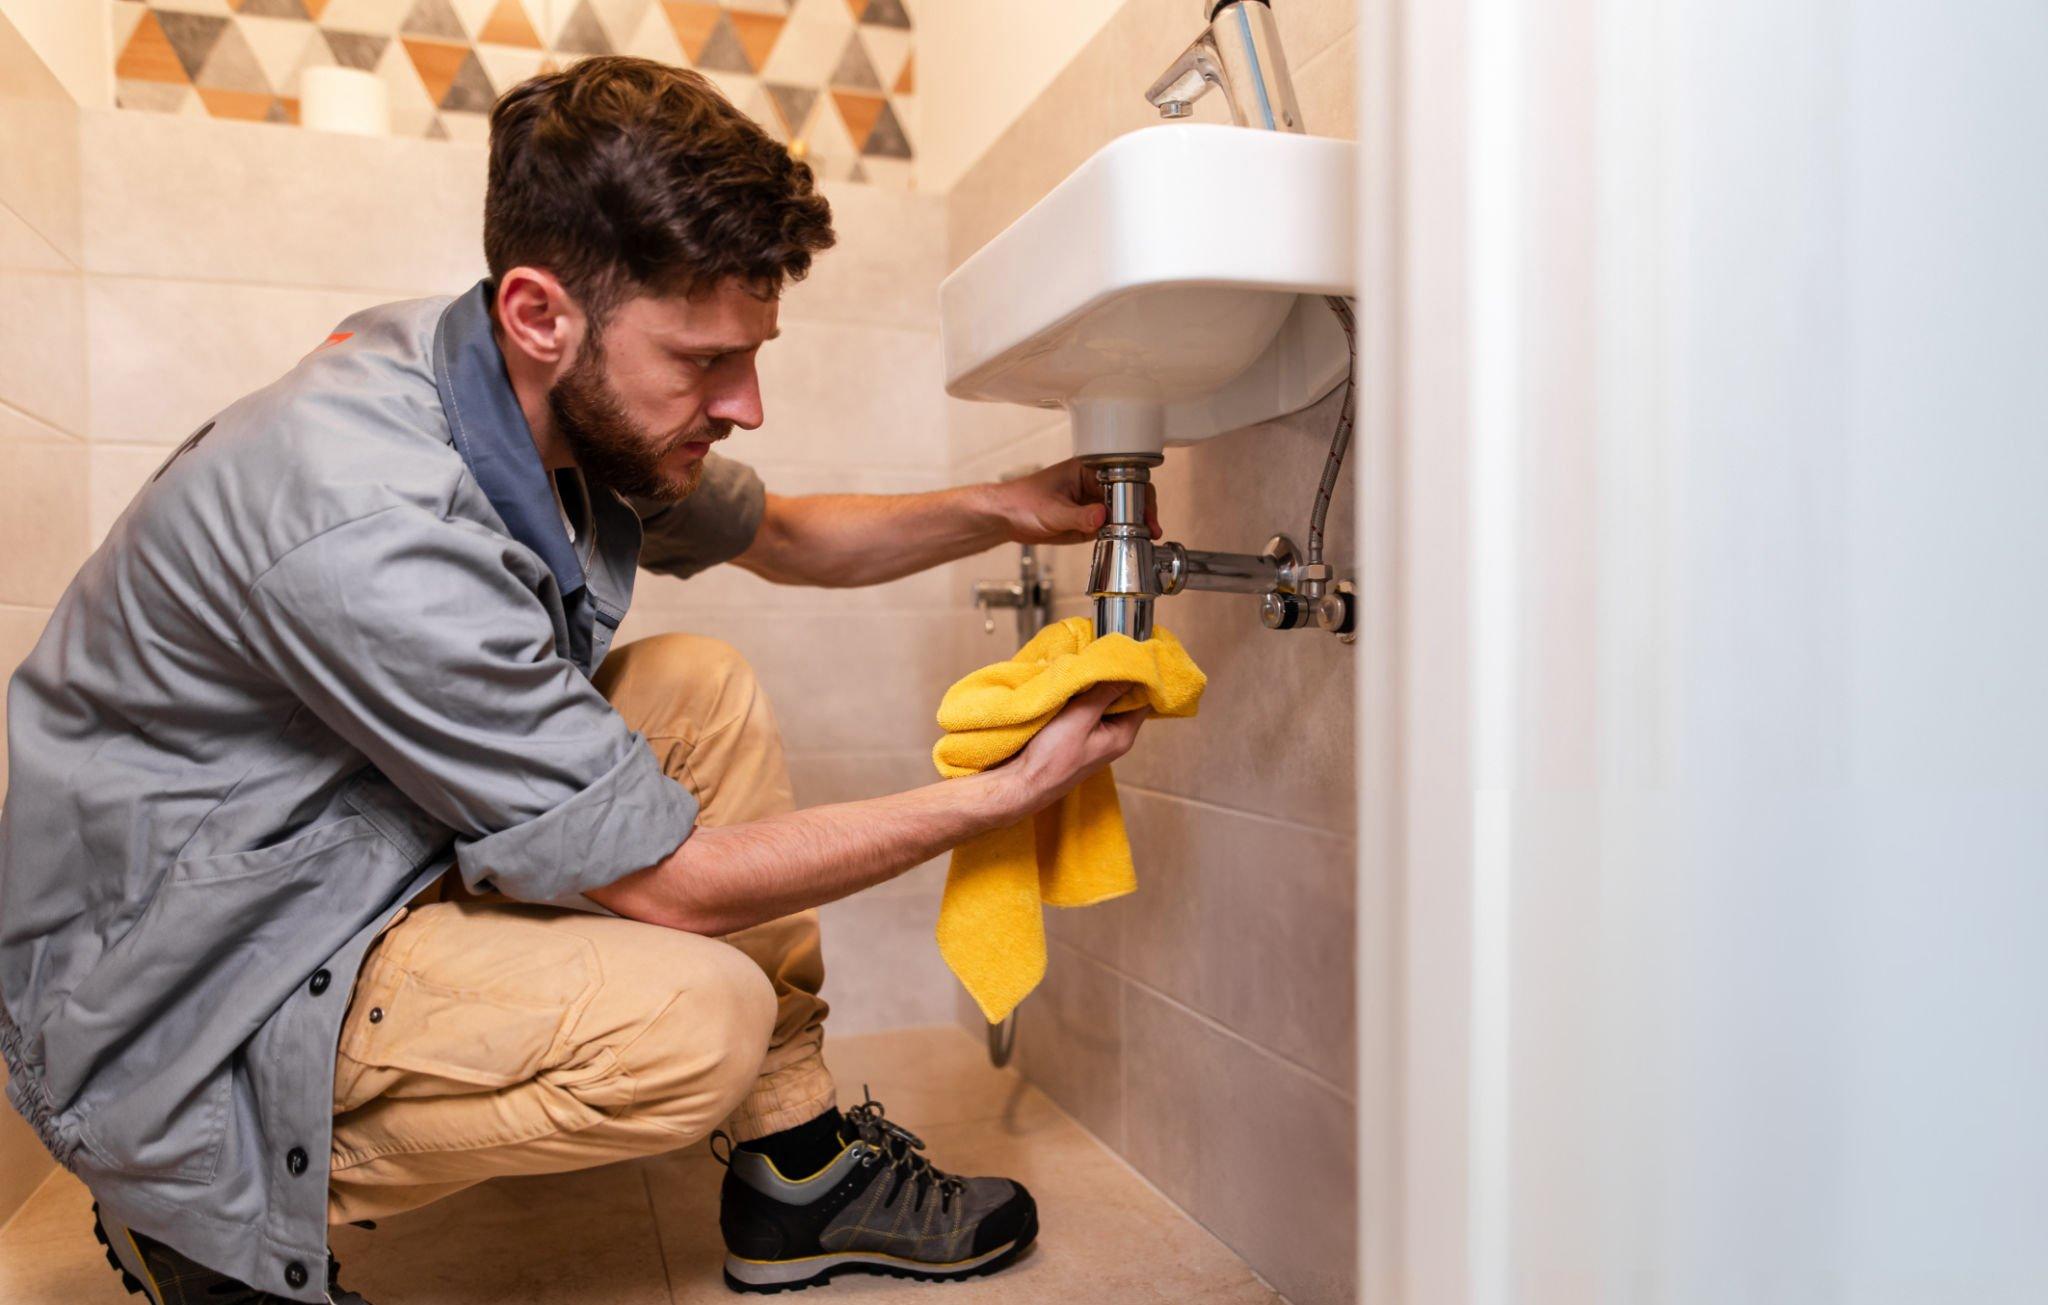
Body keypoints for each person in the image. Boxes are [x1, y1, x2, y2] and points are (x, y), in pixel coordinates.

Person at [0, 57, 1151, 1303]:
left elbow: (784, 538)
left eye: (750, 354)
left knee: (694, 684)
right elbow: (677, 885)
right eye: (707, 361)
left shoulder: (520, 388)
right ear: (542, 312)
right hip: (193, 982)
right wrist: (997, 799)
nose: (748, 403)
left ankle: (798, 1176)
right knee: (695, 1019)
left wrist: (1002, 507)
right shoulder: (365, 512)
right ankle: (196, 1210)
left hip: (331, 850)